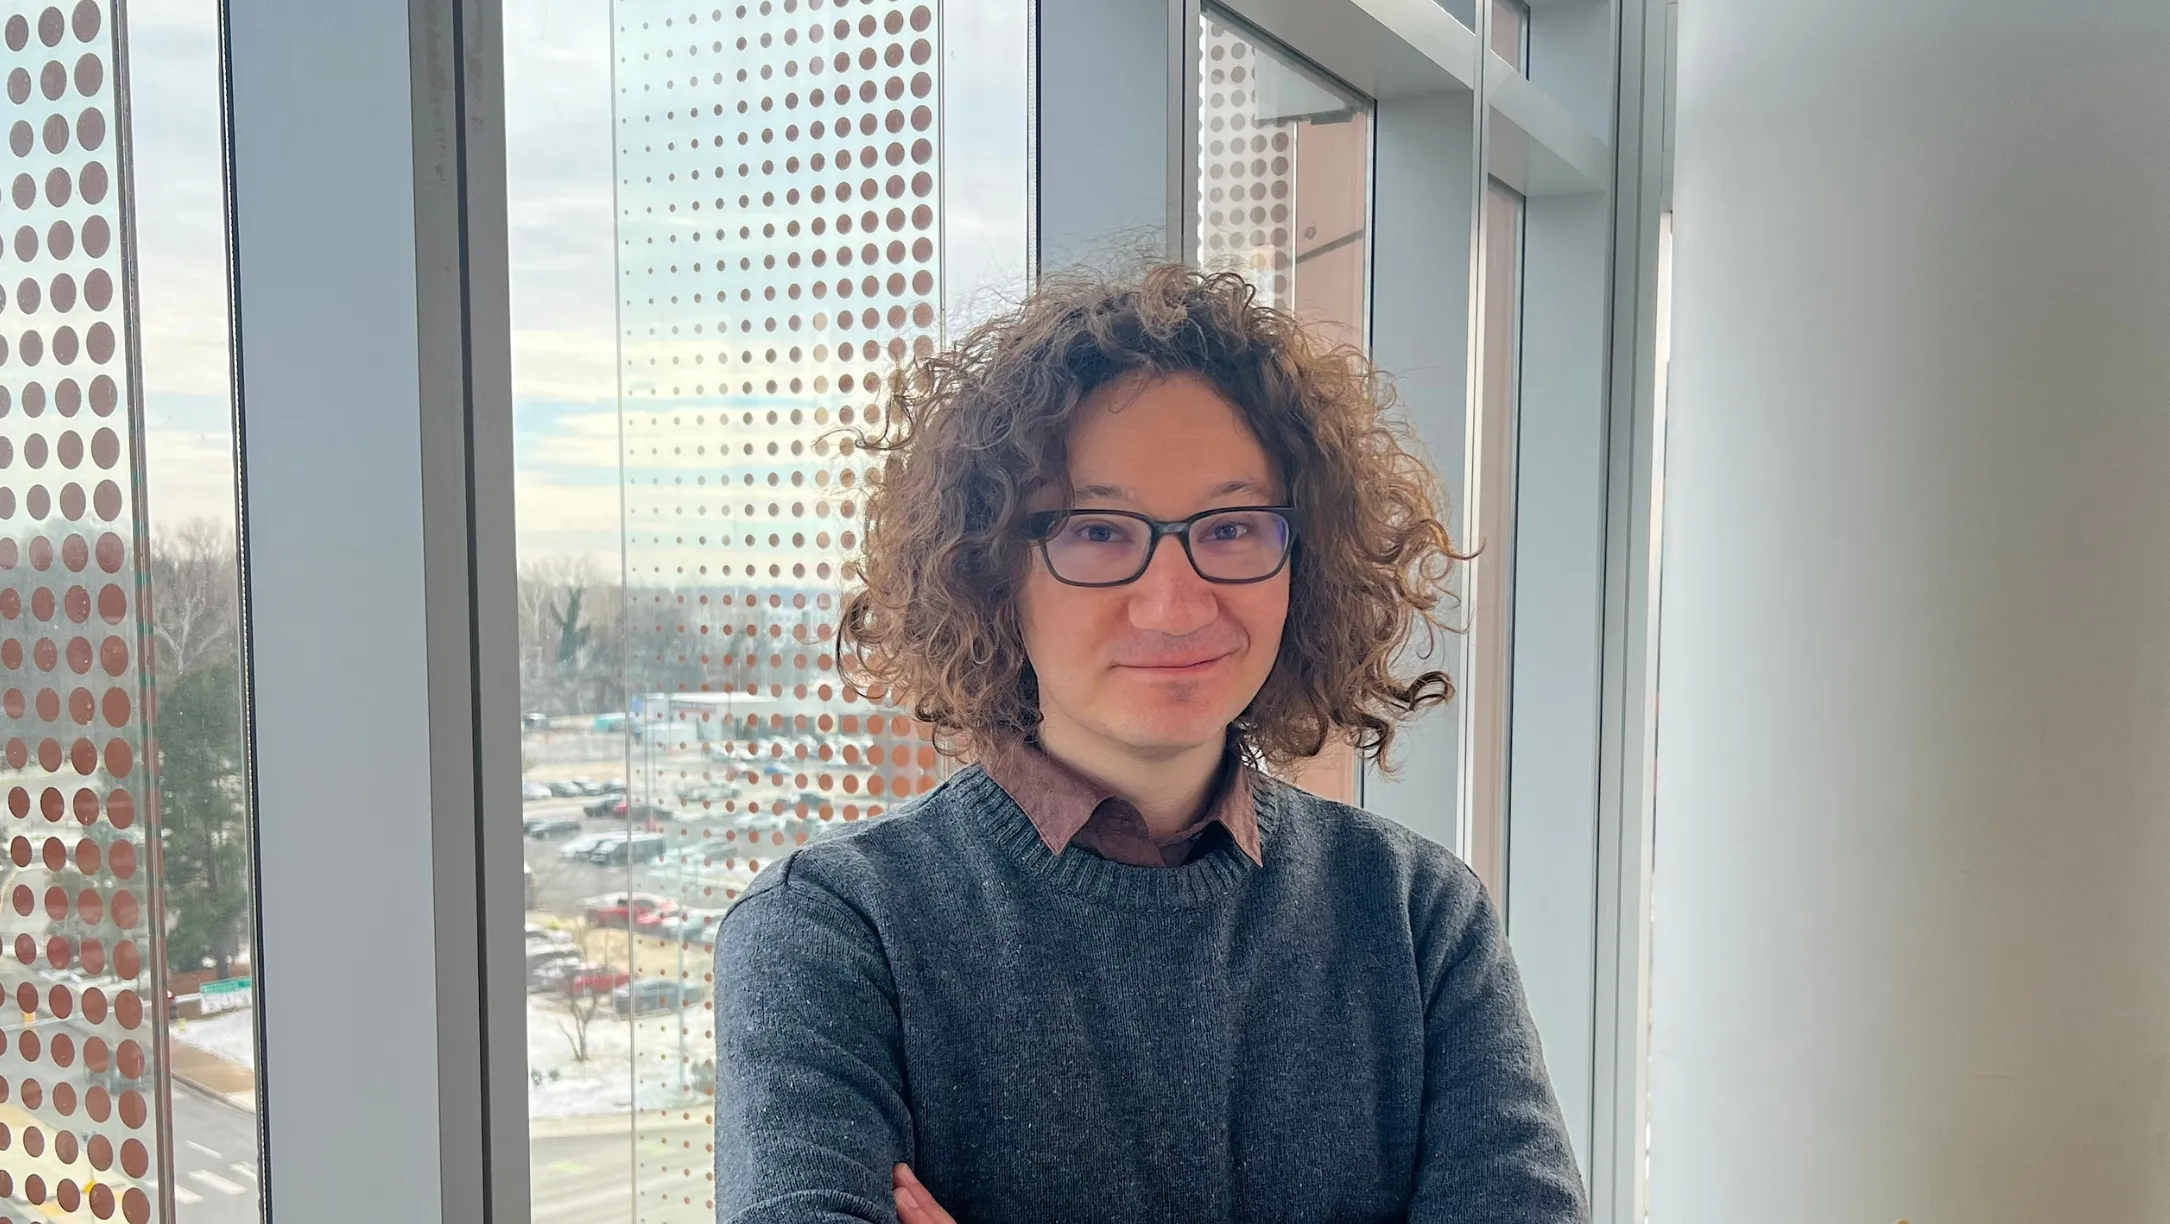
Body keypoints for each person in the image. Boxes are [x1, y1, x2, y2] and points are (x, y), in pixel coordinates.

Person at [713, 266, 1588, 1223]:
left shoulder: (1419, 920)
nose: (1175, 602)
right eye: (1096, 531)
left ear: (1306, 560)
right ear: (993, 566)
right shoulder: (837, 931)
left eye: (1232, 527)